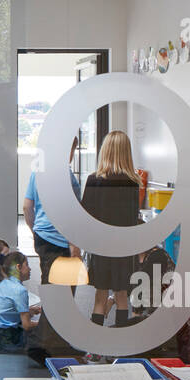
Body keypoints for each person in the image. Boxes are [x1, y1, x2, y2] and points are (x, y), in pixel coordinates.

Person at [81, 130, 145, 324]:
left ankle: (95, 347)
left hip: (101, 246)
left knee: (100, 297)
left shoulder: (94, 180)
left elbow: (85, 215)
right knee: (122, 296)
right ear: (127, 153)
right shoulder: (134, 182)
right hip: (125, 247)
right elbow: (132, 218)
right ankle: (121, 343)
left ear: (105, 151)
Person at [23, 143, 82, 287]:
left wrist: (36, 230)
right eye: (72, 149)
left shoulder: (37, 173)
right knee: (64, 293)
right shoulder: (67, 178)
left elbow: (27, 207)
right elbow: (70, 214)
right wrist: (74, 245)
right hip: (61, 241)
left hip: (42, 237)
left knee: (49, 283)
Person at [0, 251, 37, 353]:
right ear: (18, 267)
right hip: (7, 336)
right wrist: (44, 323)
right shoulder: (20, 290)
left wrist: (29, 310)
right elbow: (27, 325)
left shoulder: (3, 284)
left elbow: (7, 310)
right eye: (27, 265)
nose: (30, 269)